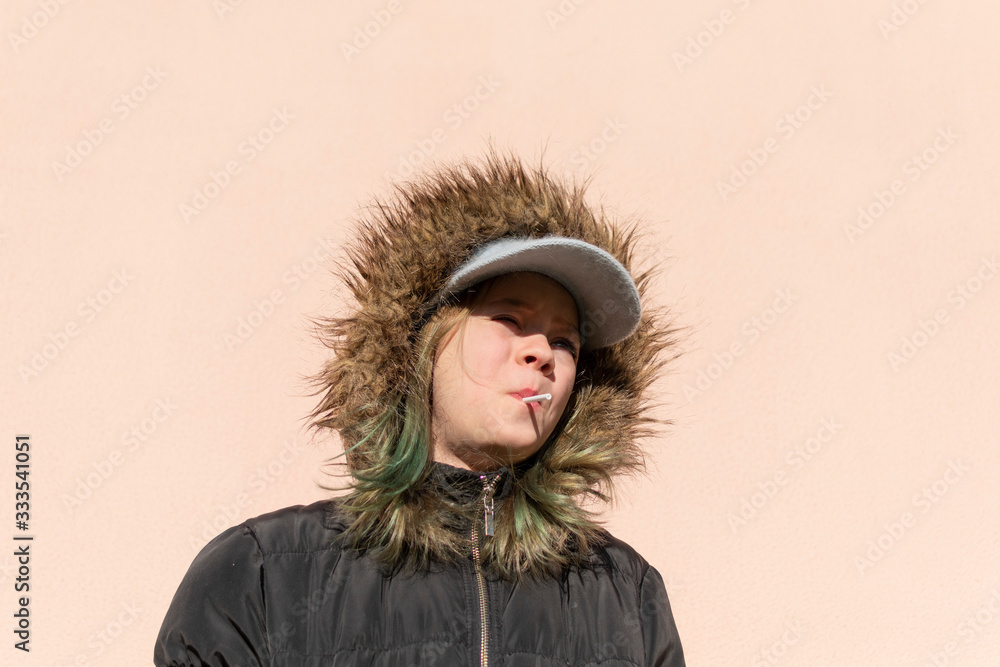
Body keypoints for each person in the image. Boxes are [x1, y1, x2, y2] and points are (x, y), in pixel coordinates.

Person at [154, 150, 686, 666]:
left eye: (565, 341)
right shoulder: (263, 575)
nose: (542, 353)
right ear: (420, 345)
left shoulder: (628, 598)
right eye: (508, 319)